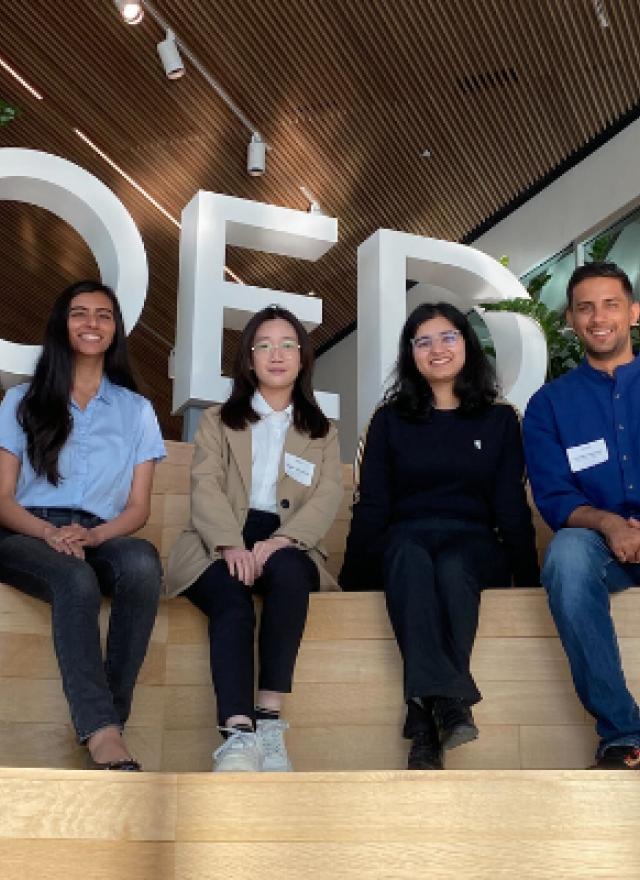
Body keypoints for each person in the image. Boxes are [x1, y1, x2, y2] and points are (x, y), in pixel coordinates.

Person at [340, 302, 539, 770]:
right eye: (423, 341)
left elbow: (511, 506)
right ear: (411, 354)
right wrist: (352, 579)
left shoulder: (500, 419)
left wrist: (530, 577)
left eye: (448, 337)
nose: (437, 349)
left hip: (474, 542)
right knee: (409, 557)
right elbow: (373, 506)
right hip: (406, 538)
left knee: (453, 566)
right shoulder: (389, 420)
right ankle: (442, 709)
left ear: (467, 344)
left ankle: (421, 710)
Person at [166, 305, 343, 773]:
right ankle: (238, 735)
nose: (276, 355)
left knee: (289, 576)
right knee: (230, 597)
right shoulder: (217, 420)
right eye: (263, 346)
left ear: (303, 359)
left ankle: (268, 722)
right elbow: (204, 485)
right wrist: (230, 544)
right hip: (219, 535)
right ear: (248, 360)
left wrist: (283, 541)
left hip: (289, 541)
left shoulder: (322, 432)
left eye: (288, 345)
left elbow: (327, 497)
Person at [0, 280, 165, 771]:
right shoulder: (20, 400)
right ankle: (102, 734)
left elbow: (138, 508)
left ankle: (107, 718)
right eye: (80, 313)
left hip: (98, 533)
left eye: (103, 315)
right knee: (75, 578)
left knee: (142, 564)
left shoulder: (137, 410)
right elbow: (2, 499)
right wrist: (49, 534)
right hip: (24, 532)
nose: (91, 323)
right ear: (62, 324)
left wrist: (94, 535)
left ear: (115, 329)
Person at [524, 261, 640, 770]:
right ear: (570, 319)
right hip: (598, 543)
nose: (599, 317)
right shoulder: (549, 404)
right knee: (566, 559)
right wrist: (610, 524)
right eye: (585, 307)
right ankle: (623, 736)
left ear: (633, 313)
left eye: (610, 304)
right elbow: (553, 495)